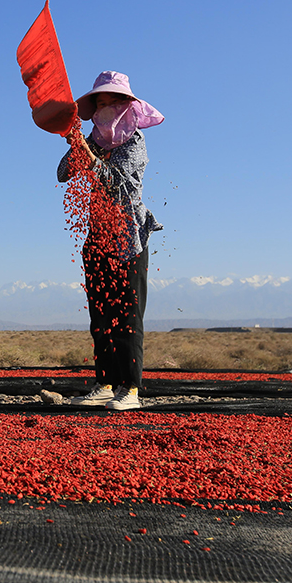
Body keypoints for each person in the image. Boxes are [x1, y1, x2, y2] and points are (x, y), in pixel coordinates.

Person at [57, 71, 163, 410]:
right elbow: (63, 174)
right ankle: (105, 382)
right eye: (98, 105)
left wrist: (88, 153)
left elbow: (116, 184)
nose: (103, 111)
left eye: (109, 104)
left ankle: (130, 389)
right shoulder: (96, 142)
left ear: (126, 106)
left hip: (128, 238)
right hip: (98, 235)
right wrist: (76, 143)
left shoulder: (135, 146)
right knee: (100, 313)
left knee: (128, 313)